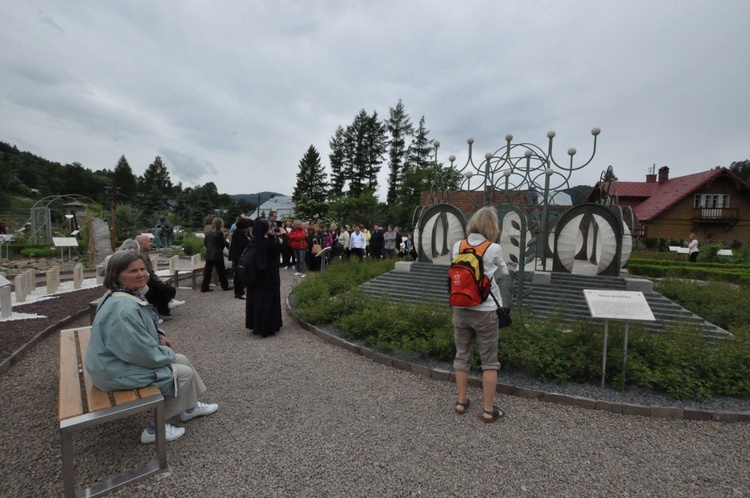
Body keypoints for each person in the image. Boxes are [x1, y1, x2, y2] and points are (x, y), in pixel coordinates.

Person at [85, 250, 218, 444]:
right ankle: (154, 429)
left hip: (112, 361)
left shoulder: (123, 295)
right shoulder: (123, 309)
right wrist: (167, 353)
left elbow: (141, 336)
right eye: (132, 271)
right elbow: (142, 353)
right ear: (116, 275)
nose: (141, 274)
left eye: (143, 269)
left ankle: (189, 407)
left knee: (182, 360)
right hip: (112, 371)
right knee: (182, 373)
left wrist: (160, 335)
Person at [451, 206, 509, 423]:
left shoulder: (458, 245)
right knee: (489, 362)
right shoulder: (493, 248)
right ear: (493, 226)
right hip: (485, 312)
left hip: (460, 309)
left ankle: (461, 402)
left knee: (462, 356)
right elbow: (503, 273)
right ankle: (487, 409)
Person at [246, 219, 283, 337]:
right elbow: (284, 248)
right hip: (269, 277)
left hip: (255, 277)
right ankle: (268, 327)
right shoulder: (269, 244)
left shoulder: (253, 241)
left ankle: (256, 325)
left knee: (256, 301)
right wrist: (284, 234)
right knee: (267, 302)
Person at [135, 234, 184, 316]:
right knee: (166, 289)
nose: (151, 243)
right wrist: (159, 281)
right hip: (145, 280)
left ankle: (165, 308)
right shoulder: (140, 255)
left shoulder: (143, 253)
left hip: (148, 279)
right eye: (148, 241)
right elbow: (148, 272)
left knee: (166, 288)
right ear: (141, 244)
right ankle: (164, 309)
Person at [201, 218, 233, 292]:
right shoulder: (219, 233)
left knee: (207, 271)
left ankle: (204, 287)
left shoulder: (208, 233)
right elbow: (223, 244)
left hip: (209, 253)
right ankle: (225, 286)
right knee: (221, 271)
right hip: (217, 254)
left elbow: (205, 243)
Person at [228, 218, 252, 299]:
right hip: (238, 256)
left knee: (238, 274)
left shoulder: (237, 232)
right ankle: (240, 292)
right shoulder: (240, 233)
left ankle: (239, 292)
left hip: (237, 255)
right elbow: (246, 244)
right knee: (239, 274)